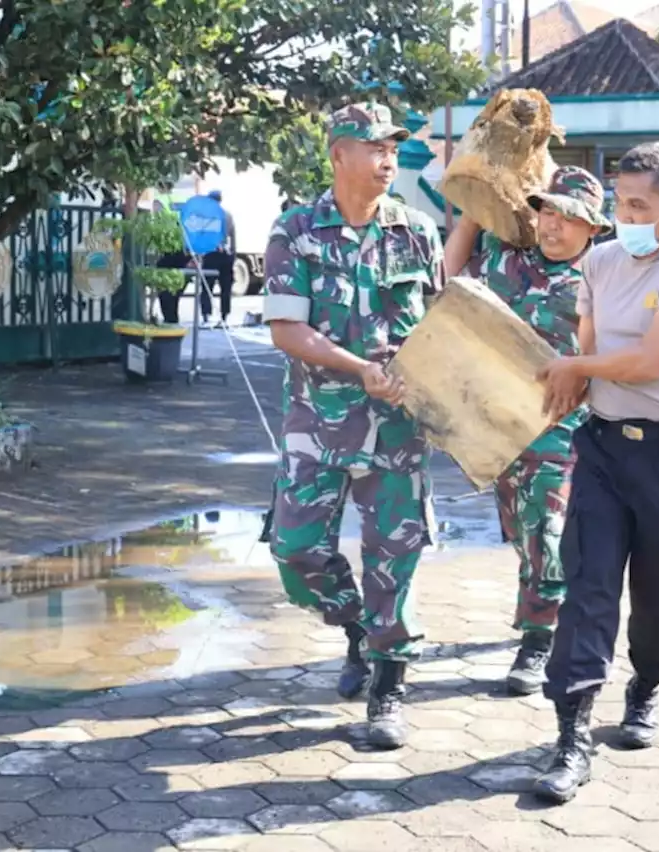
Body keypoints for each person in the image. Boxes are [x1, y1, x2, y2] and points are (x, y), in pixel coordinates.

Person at [531, 142, 659, 804]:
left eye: (641, 206)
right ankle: (572, 736)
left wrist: (575, 369)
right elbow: (586, 355)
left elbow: (651, 360)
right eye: (620, 203)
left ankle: (646, 687)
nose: (626, 216)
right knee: (586, 587)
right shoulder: (602, 260)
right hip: (605, 450)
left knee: (658, 594)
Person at [262, 102, 443, 749]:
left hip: (399, 431)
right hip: (320, 424)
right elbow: (288, 330)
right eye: (375, 146)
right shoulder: (296, 231)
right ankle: (358, 632)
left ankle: (389, 688)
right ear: (339, 154)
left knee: (394, 559)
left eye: (394, 146)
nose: (388, 157)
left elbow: (442, 325)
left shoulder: (419, 231)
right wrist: (358, 367)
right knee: (297, 550)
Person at [443, 167, 611, 696]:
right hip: (498, 428)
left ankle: (538, 640)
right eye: (547, 213)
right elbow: (445, 277)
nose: (554, 226)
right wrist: (473, 206)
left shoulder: (604, 278)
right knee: (522, 534)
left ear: (594, 228)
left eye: (569, 218)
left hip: (563, 431)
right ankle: (541, 603)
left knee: (549, 534)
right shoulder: (504, 258)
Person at [201, 189, 237, 328]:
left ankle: (206, 316)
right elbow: (233, 237)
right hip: (226, 255)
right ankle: (224, 317)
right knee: (226, 288)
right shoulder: (228, 215)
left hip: (211, 254)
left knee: (206, 286)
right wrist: (233, 254)